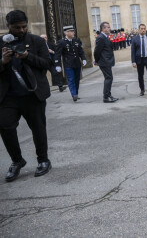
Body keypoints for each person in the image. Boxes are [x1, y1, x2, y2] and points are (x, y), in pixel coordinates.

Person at [0, 10, 53, 181]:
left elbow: (47, 63)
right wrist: (3, 62)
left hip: (33, 94)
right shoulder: (1, 43)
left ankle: (43, 160)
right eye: (17, 28)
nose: (21, 30)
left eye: (24, 27)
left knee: (38, 128)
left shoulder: (36, 41)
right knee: (5, 126)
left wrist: (28, 56)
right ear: (8, 26)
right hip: (8, 97)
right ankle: (17, 160)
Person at [54, 26, 87, 102]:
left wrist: (84, 58)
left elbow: (80, 51)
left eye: (73, 31)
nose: (73, 32)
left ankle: (76, 93)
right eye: (71, 31)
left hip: (77, 64)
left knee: (77, 79)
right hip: (68, 64)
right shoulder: (61, 42)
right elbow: (57, 54)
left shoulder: (76, 40)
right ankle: (73, 94)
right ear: (66, 32)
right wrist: (58, 65)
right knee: (71, 80)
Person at [94, 22, 118, 103]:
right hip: (104, 61)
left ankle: (108, 95)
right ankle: (106, 97)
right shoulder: (101, 37)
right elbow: (97, 51)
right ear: (103, 29)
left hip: (106, 61)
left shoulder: (105, 37)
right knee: (108, 78)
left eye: (109, 27)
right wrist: (96, 61)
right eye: (107, 27)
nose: (109, 28)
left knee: (109, 78)